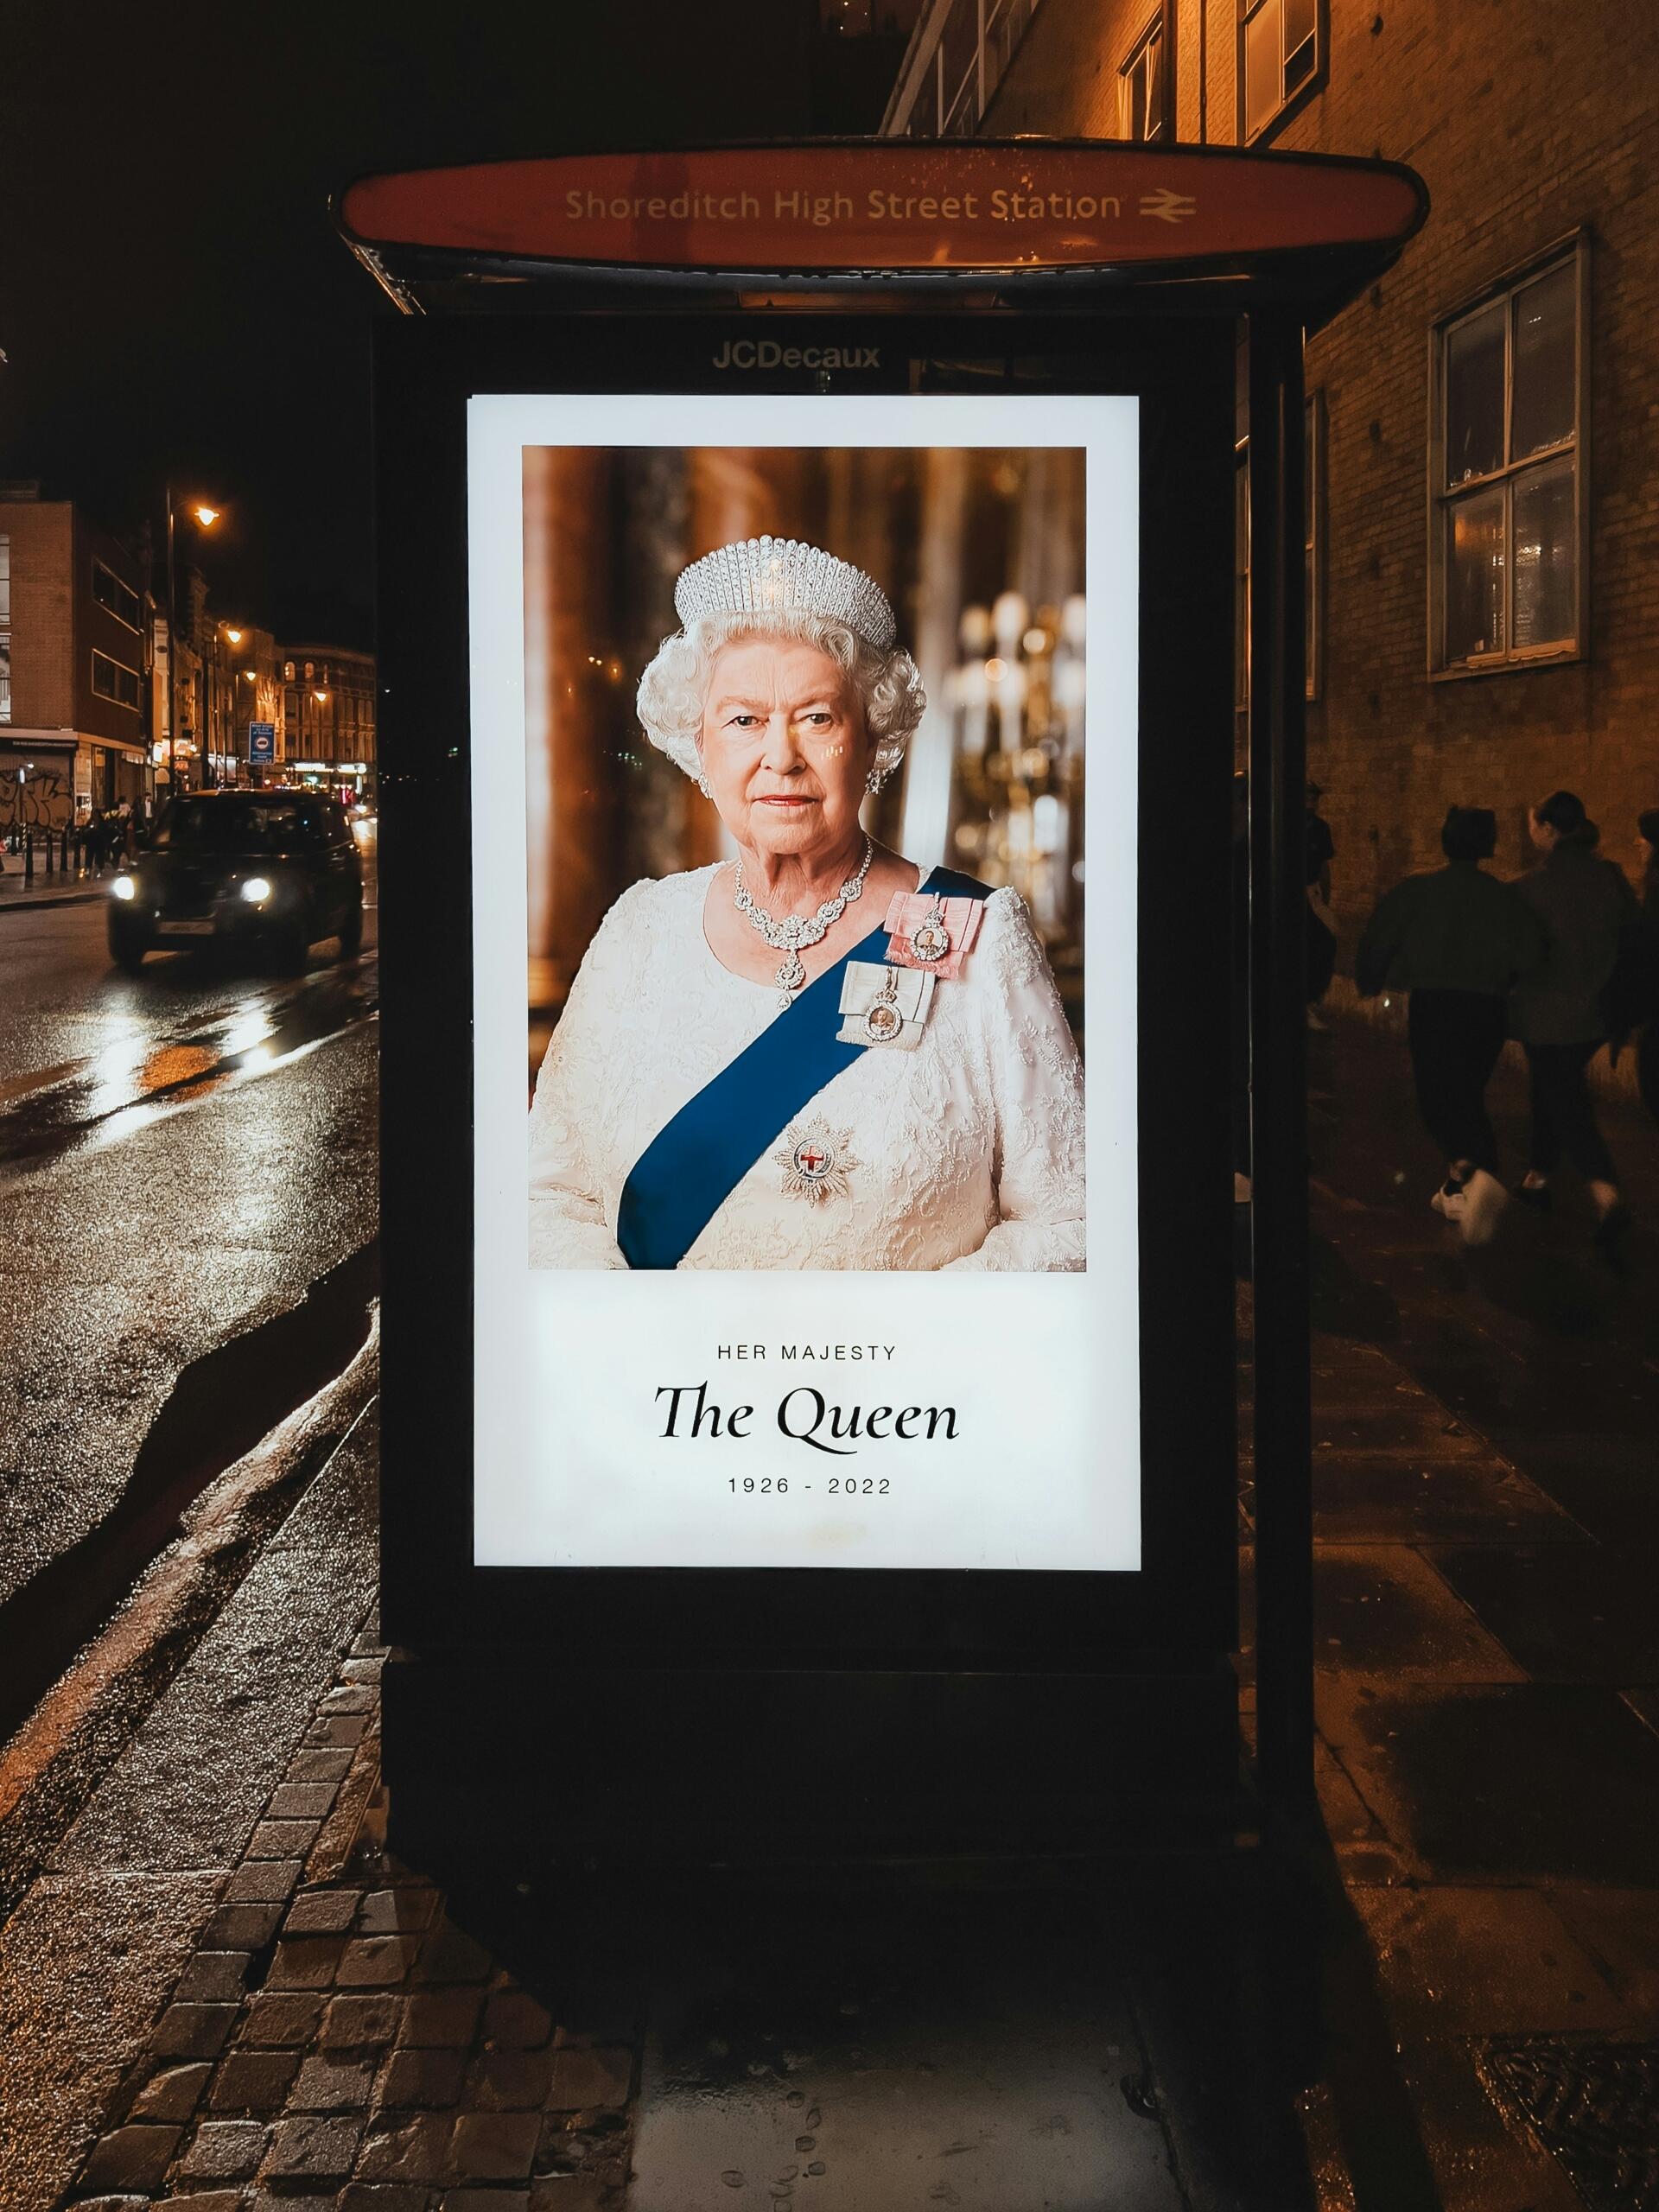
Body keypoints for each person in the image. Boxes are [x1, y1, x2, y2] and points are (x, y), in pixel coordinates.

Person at [528, 534, 1085, 1272]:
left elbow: (1071, 1219)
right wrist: (645, 1351)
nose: (781, 756)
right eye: (744, 720)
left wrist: (898, 1348)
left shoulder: (975, 933)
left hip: (901, 1387)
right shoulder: (637, 932)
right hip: (683, 1389)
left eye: (817, 717)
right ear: (702, 743)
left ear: (871, 738)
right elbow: (550, 1199)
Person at [1356, 806, 1545, 1244]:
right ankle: (1459, 1183)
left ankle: (1476, 1166)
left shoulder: (1418, 890)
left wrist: (1370, 979)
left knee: (1437, 1093)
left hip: (1436, 1003)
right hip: (1488, 1008)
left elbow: (1381, 937)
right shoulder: (1504, 897)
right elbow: (1531, 954)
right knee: (1467, 1088)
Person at [1510, 789, 1643, 1260]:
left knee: (1565, 1100)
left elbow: (1517, 957)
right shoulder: (1612, 877)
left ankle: (1606, 1194)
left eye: (1532, 824)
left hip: (1547, 1016)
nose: (1530, 832)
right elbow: (1633, 941)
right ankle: (1538, 1176)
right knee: (1551, 1087)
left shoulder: (1527, 888)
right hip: (1597, 1016)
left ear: (1548, 830)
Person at [1305, 780, 1338, 1030]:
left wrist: (1324, 896)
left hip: (1310, 892)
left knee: (1327, 939)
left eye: (1315, 799)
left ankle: (1312, 1000)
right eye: (1309, 798)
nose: (1313, 804)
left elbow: (1323, 865)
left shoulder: (1319, 827)